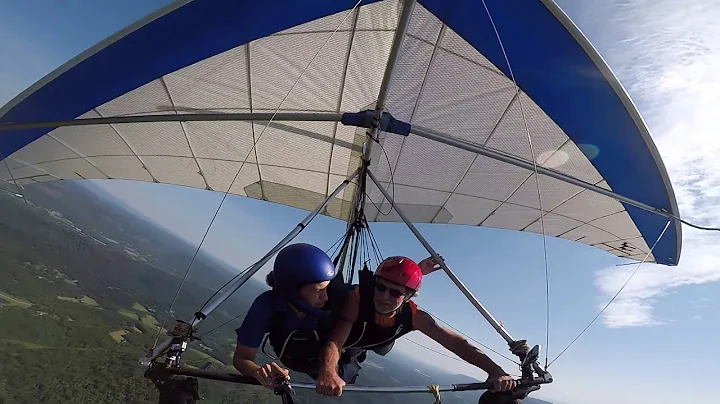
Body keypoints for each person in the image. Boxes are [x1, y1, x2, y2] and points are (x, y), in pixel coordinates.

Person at [315, 256, 528, 397]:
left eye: (396, 293)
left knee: (382, 348)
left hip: (380, 338)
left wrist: (495, 371)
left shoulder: (415, 316)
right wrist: (327, 371)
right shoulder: (359, 297)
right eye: (380, 287)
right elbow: (336, 339)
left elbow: (457, 343)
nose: (384, 297)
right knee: (349, 345)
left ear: (408, 297)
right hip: (355, 334)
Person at [233, 243, 343, 390]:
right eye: (318, 291)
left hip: (338, 363)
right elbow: (241, 358)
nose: (325, 298)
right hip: (296, 359)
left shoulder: (339, 299)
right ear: (293, 290)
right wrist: (258, 372)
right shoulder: (268, 305)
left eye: (327, 288)